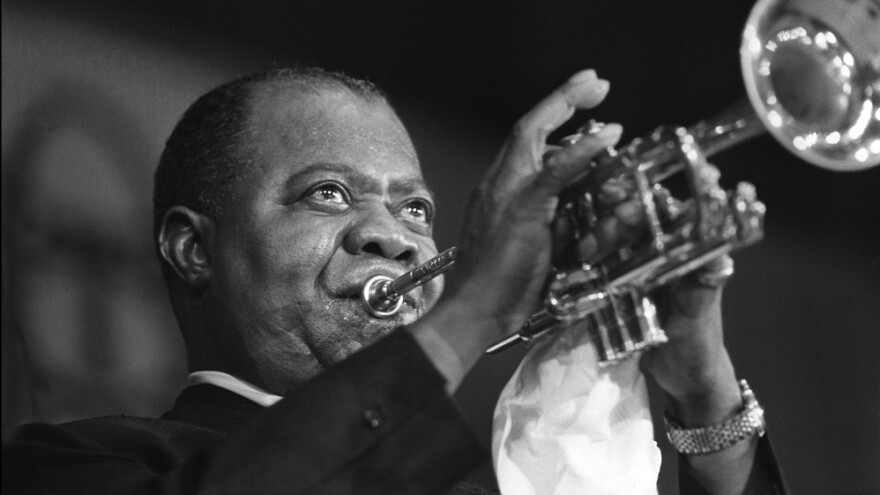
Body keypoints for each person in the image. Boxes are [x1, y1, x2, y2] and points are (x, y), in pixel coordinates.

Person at [1, 66, 785, 494]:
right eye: (328, 193)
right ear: (192, 248)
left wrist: (702, 388)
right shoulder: (63, 467)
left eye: (416, 208)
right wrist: (478, 297)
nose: (397, 238)